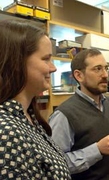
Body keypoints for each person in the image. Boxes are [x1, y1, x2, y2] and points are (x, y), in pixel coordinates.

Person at [0, 19, 71, 179]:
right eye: (46, 59)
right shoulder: (5, 134)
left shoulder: (28, 117)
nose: (53, 68)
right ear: (17, 62)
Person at [49, 48, 109, 180]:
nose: (105, 75)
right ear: (79, 75)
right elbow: (56, 163)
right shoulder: (64, 115)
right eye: (97, 69)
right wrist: (97, 150)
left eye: (105, 68)